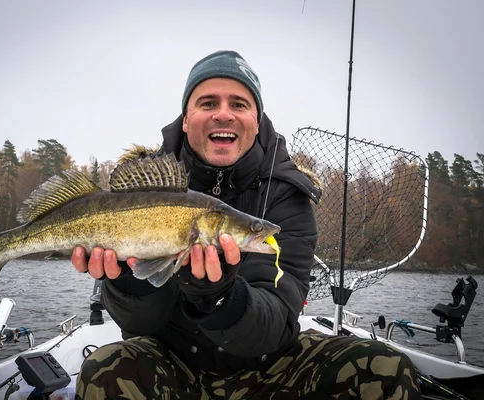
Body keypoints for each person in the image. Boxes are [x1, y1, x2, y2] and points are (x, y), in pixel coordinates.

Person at [71, 50, 421, 399]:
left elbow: (277, 325)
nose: (223, 114)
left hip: (268, 370)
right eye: (208, 103)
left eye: (239, 104)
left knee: (385, 368)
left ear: (257, 120)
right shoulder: (149, 187)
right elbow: (139, 325)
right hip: (171, 364)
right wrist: (129, 283)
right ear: (185, 120)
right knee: (105, 370)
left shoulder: (288, 197)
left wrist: (218, 297)